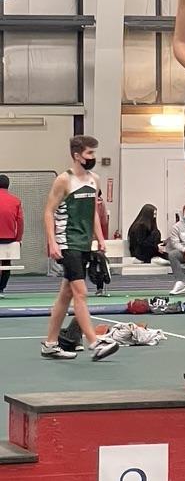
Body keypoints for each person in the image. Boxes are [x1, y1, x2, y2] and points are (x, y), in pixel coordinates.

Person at [40, 135, 119, 361]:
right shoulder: (64, 181)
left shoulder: (95, 179)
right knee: (80, 292)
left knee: (66, 294)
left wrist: (100, 238)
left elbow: (93, 211)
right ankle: (94, 343)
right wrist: (53, 242)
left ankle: (50, 343)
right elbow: (48, 212)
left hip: (85, 243)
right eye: (89, 154)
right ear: (77, 155)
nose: (93, 157)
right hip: (68, 242)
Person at [0, 174, 23, 296]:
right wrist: (18, 240)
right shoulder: (16, 201)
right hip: (8, 238)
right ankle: (1, 288)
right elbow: (20, 221)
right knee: (6, 263)